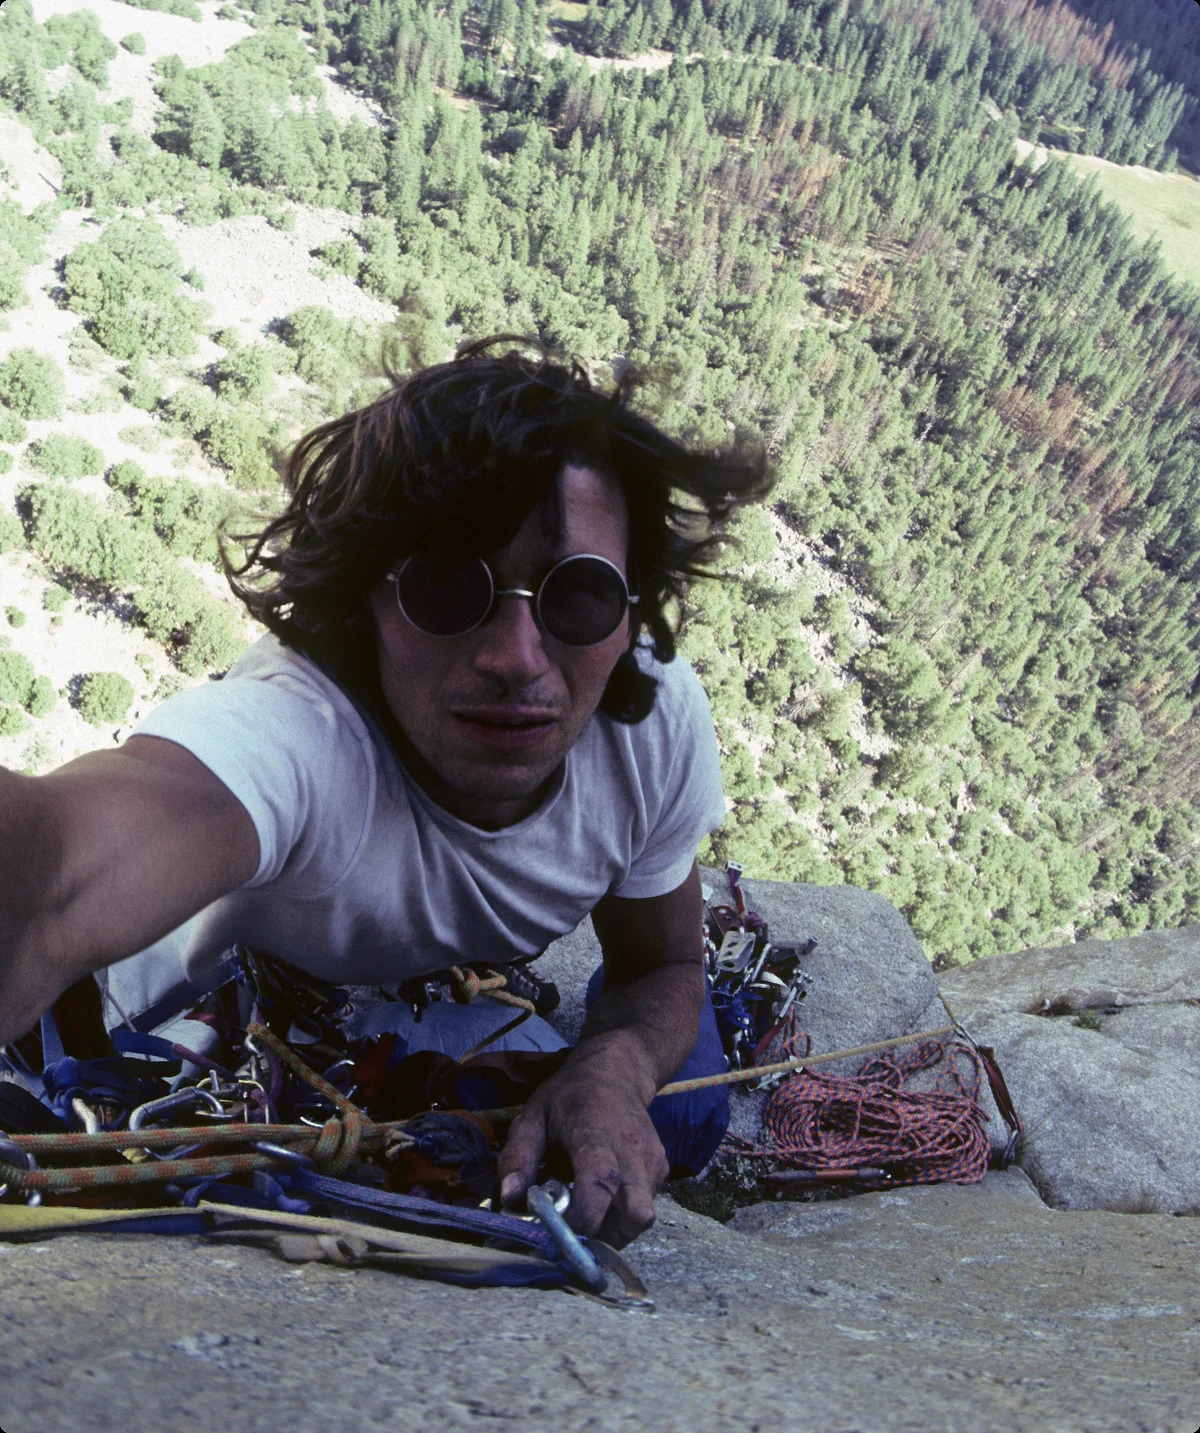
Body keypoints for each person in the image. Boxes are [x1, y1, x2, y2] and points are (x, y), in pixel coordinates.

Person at [0, 338, 771, 1247]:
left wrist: (615, 1066)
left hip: (441, 980)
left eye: (578, 597)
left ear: (632, 611)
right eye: (451, 588)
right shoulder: (303, 735)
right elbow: (57, 871)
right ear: (366, 602)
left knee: (677, 1116)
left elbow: (664, 964)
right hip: (281, 984)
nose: (516, 660)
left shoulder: (651, 721)